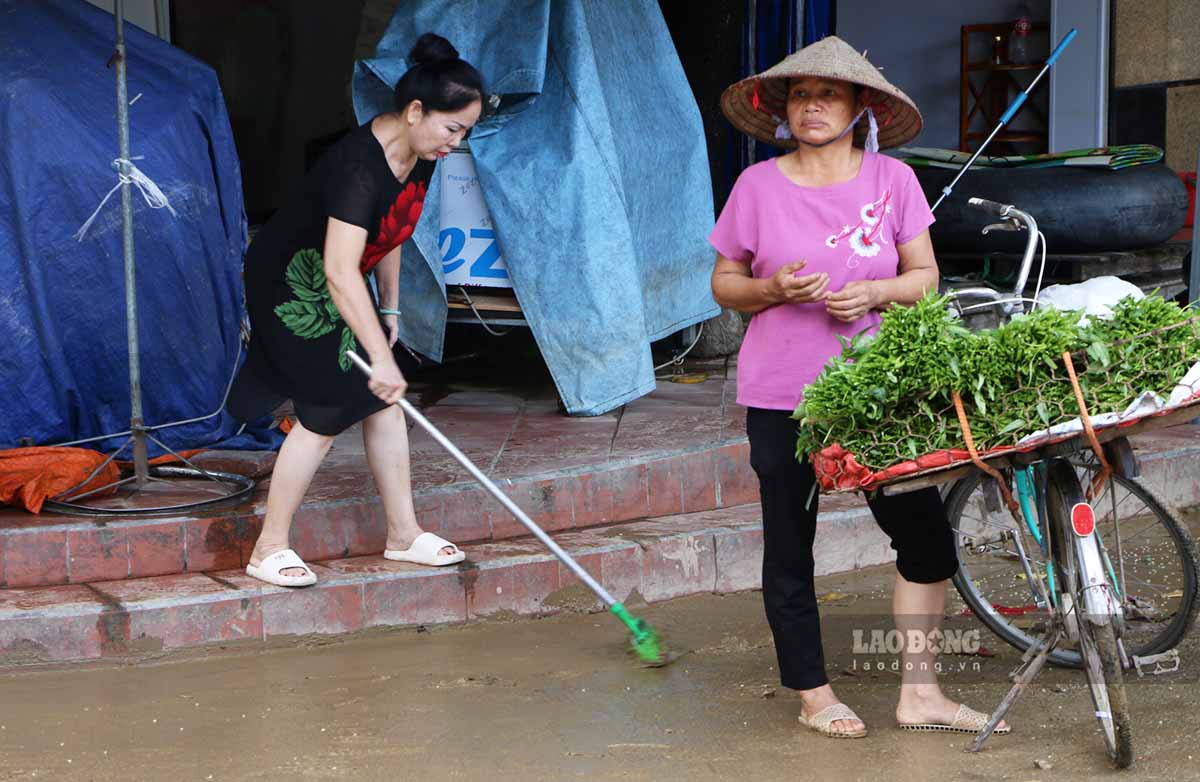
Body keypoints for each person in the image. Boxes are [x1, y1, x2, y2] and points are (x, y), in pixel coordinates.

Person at [710, 36, 1009, 738]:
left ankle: (921, 693)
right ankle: (814, 693)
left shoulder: (892, 181)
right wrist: (771, 288)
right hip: (785, 393)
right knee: (790, 543)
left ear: (858, 107)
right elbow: (725, 285)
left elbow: (926, 278)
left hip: (878, 387)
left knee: (926, 537)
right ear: (783, 109)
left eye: (829, 94)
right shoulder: (757, 186)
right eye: (802, 95)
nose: (813, 106)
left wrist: (872, 290)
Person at [227, 33, 483, 587]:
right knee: (326, 402)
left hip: (336, 276)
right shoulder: (356, 169)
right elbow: (339, 273)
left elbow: (392, 230)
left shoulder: (419, 152)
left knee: (384, 400)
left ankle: (403, 534)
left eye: (464, 132)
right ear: (416, 111)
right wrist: (376, 354)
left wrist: (389, 313)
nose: (455, 143)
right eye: (452, 128)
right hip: (290, 281)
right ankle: (267, 548)